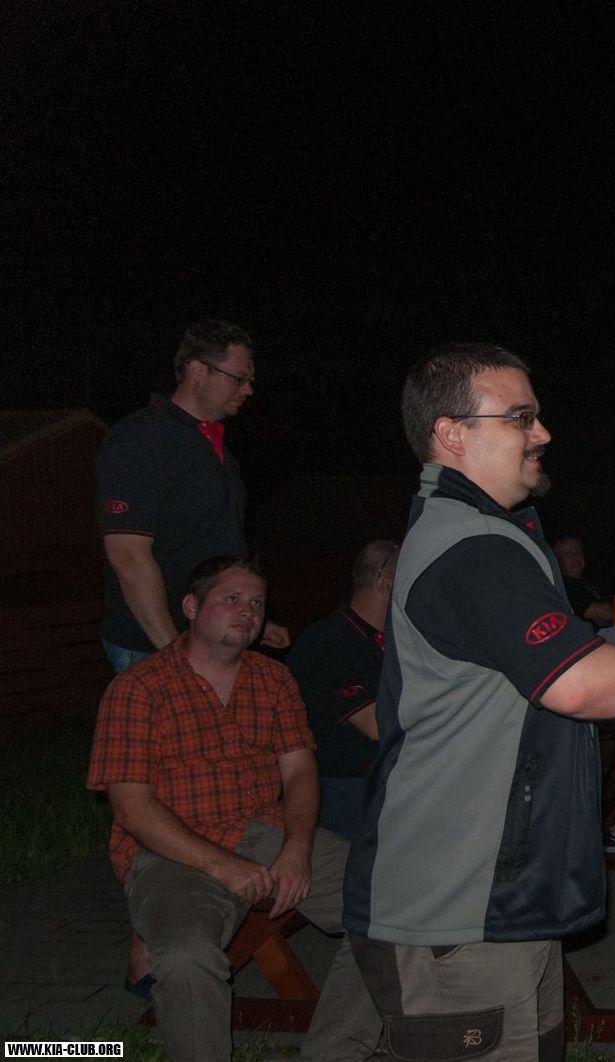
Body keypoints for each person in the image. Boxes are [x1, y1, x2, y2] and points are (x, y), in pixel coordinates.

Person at [341, 343, 615, 1060]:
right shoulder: (470, 549)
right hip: (457, 902)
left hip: (497, 893)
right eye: (520, 417)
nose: (543, 433)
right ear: (450, 434)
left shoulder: (489, 533)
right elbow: (580, 682)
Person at [86, 556, 378, 1062]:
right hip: (173, 851)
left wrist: (297, 848)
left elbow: (300, 771)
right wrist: (225, 866)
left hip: (267, 832)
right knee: (185, 957)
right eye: (232, 599)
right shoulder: (138, 688)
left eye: (257, 603)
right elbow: (132, 809)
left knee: (395, 909)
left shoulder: (274, 680)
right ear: (191, 607)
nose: (249, 612)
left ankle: (335, 1051)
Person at [96, 319, 289, 672]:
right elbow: (127, 555)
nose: (248, 390)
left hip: (208, 643)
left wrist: (246, 617)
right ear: (198, 370)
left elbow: (214, 549)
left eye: (250, 380)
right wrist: (176, 653)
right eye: (238, 378)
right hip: (152, 648)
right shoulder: (142, 439)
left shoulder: (214, 449)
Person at [286, 540, 395, 840]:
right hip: (343, 791)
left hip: (383, 783)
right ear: (387, 582)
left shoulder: (387, 641)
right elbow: (376, 724)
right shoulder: (331, 639)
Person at [553, 534, 613, 626]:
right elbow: (602, 613)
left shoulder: (589, 582)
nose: (576, 557)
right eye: (569, 553)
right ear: (556, 559)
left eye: (578, 551)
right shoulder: (565, 587)